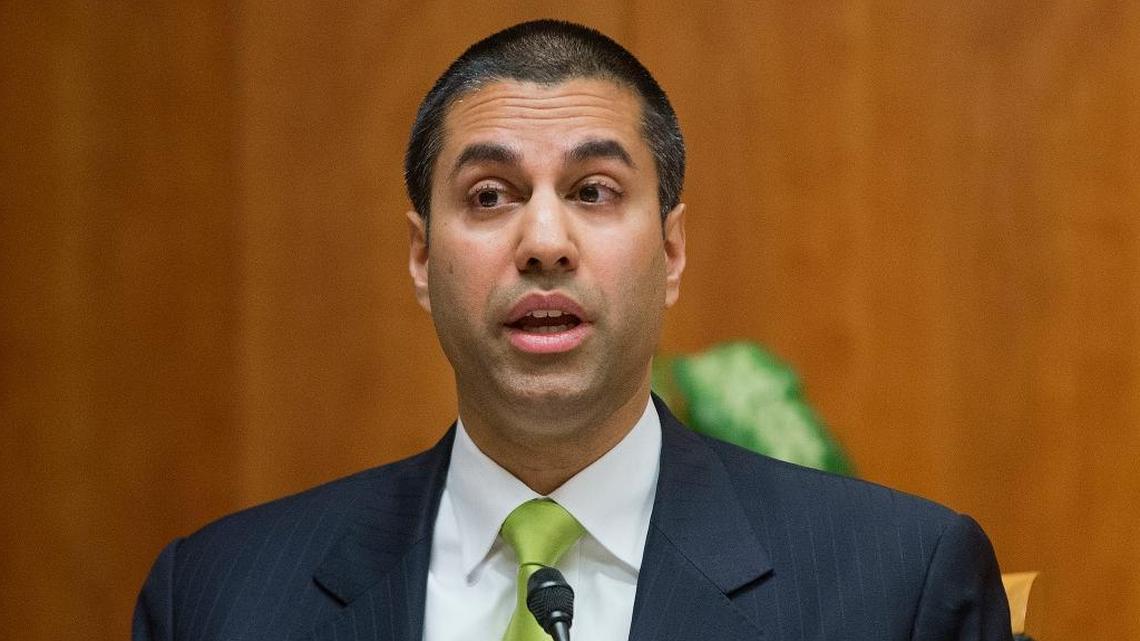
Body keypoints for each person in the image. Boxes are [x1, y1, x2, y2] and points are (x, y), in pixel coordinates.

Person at [133, 19, 1012, 641]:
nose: (545, 242)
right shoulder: (218, 598)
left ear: (670, 250)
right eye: (489, 197)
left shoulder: (895, 589)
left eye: (594, 191)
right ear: (419, 257)